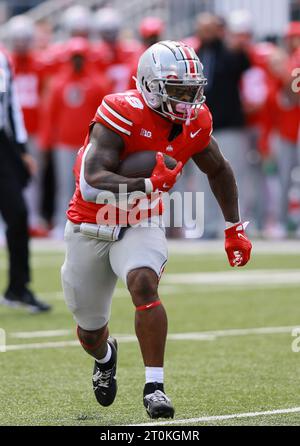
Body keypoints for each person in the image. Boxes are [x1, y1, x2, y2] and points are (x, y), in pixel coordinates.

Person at [61, 41, 252, 418]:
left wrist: (233, 227)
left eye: (193, 90)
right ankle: (105, 357)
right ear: (149, 85)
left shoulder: (195, 121)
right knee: (90, 332)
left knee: (144, 283)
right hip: (90, 222)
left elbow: (219, 168)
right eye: (178, 90)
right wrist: (149, 184)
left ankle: (154, 387)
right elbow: (92, 182)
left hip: (141, 221)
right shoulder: (120, 110)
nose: (187, 100)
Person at [39, 37, 109, 239]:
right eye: (74, 57)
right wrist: (46, 142)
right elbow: (50, 114)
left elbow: (104, 114)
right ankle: (62, 220)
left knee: (90, 184)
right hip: (63, 143)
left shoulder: (98, 83)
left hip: (89, 143)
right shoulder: (58, 83)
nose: (77, 61)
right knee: (63, 184)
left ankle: (90, 220)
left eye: (80, 57)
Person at [0, 49, 51, 313]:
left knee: (19, 214)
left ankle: (18, 288)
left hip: (2, 144)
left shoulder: (4, 58)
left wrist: (21, 149)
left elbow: (11, 106)